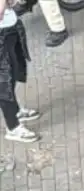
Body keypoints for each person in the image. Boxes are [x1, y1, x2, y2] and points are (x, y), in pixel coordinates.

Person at [0, 0, 39, 142]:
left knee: (15, 70)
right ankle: (13, 127)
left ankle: (16, 111)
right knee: (4, 82)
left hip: (10, 27)